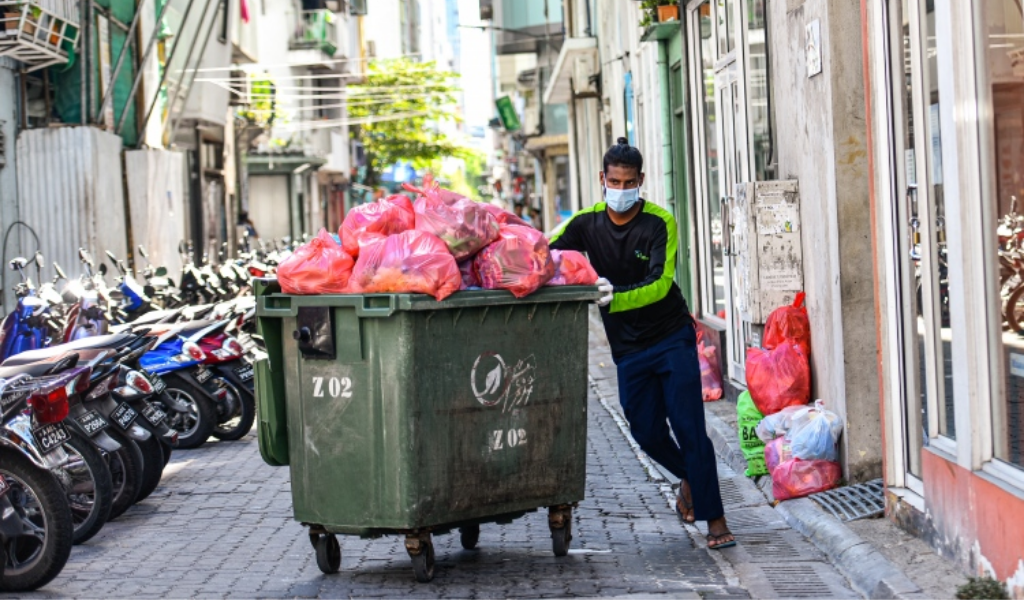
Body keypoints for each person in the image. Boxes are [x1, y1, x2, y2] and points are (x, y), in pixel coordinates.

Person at [549, 137, 735, 550]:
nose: (620, 189)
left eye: (628, 182)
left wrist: (614, 296)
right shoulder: (585, 223)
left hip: (671, 337)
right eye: (614, 181)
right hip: (628, 349)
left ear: (641, 181)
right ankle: (691, 476)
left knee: (689, 426)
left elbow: (660, 283)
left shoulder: (659, 222)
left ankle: (716, 520)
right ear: (603, 179)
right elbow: (545, 253)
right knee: (646, 431)